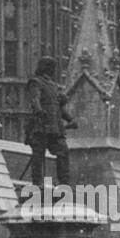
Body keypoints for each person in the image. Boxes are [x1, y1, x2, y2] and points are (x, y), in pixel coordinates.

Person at [25, 55, 76, 190]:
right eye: (52, 68)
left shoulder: (53, 86)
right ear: (46, 68)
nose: (54, 70)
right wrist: (39, 111)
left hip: (55, 127)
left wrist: (70, 119)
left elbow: (58, 108)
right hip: (41, 124)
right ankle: (37, 183)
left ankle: (64, 182)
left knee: (63, 151)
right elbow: (35, 99)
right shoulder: (35, 82)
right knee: (38, 154)